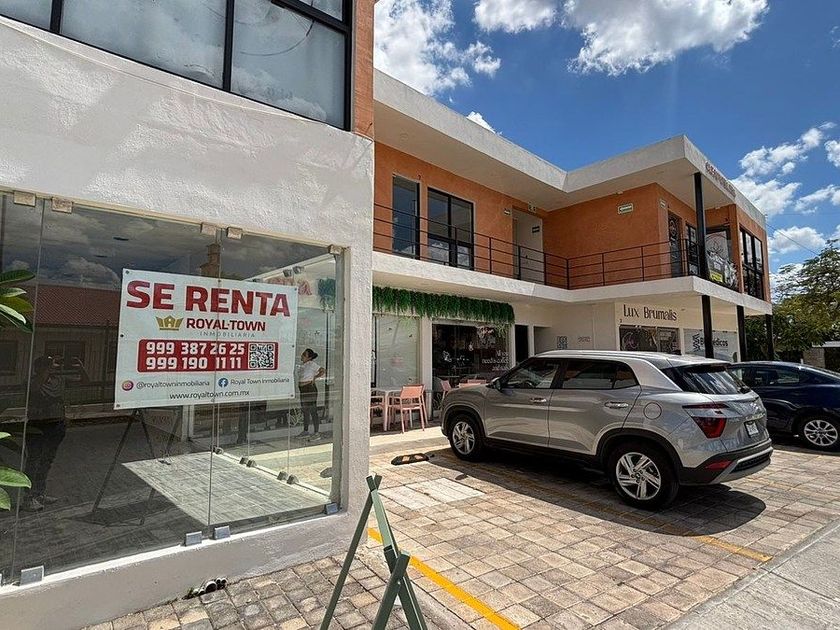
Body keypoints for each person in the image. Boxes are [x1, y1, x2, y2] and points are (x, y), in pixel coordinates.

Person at [23, 354, 88, 512]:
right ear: (40, 368)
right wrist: (46, 369)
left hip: (56, 425)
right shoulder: (32, 381)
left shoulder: (58, 380)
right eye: (52, 364)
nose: (56, 366)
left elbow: (84, 382)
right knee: (34, 460)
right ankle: (28, 497)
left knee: (47, 460)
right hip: (38, 425)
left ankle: (39, 493)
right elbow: (34, 389)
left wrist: (81, 368)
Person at [298, 348, 325, 439]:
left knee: (313, 410)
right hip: (303, 389)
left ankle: (316, 432)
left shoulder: (312, 364)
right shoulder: (302, 365)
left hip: (310, 389)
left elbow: (322, 370)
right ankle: (305, 431)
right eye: (303, 354)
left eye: (304, 354)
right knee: (305, 410)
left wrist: (315, 378)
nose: (302, 355)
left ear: (309, 358)